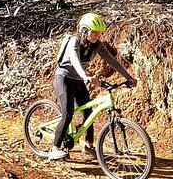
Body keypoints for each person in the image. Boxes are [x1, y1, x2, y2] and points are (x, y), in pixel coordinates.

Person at [49, 13, 137, 160]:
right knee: (68, 112)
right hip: (63, 78)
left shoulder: (97, 45)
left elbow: (112, 61)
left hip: (78, 79)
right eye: (94, 32)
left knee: (88, 112)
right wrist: (85, 76)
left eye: (99, 32)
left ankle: (89, 147)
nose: (97, 35)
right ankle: (55, 148)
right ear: (84, 30)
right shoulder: (74, 41)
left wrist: (128, 77)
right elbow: (75, 60)